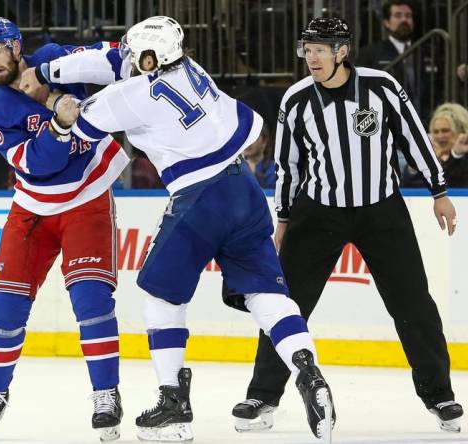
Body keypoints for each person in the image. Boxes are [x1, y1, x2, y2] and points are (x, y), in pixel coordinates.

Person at [23, 15, 336, 442]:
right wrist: (49, 67)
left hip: (197, 199)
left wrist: (48, 91)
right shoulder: (193, 69)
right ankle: (309, 370)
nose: (129, 60)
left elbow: (77, 120)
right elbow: (117, 62)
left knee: (159, 297)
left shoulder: (129, 94)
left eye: (136, 55)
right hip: (243, 188)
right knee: (267, 293)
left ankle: (173, 404)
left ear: (149, 58)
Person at [229, 17, 464, 435]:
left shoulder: (382, 87)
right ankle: (263, 395)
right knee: (286, 305)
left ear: (342, 52)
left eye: (320, 48)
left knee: (413, 304)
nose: (311, 57)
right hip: (318, 212)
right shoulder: (296, 99)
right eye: (307, 48)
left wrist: (438, 192)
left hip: (382, 209)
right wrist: (283, 218)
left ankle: (439, 394)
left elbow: (414, 138)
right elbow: (288, 165)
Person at [0, 17, 131, 442]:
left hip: (87, 196)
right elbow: (38, 164)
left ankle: (106, 394)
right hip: (33, 209)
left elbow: (106, 58)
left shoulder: (55, 59)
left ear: (17, 46)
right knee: (6, 304)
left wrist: (136, 49)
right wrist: (59, 124)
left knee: (91, 298)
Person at [357, 1, 422, 113]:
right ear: (386, 22)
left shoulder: (425, 52)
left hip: (427, 124)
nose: (404, 20)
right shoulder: (370, 53)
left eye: (408, 16)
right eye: (398, 15)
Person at [403, 102, 468, 188]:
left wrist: (455, 155)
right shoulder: (427, 157)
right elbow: (409, 187)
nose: (440, 136)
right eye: (436, 132)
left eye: (445, 131)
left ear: (461, 131)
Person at [242, 123, 276, 188]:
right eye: (244, 137)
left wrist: (254, 173)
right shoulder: (234, 170)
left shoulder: (275, 170)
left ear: (264, 141)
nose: (248, 143)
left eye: (253, 137)